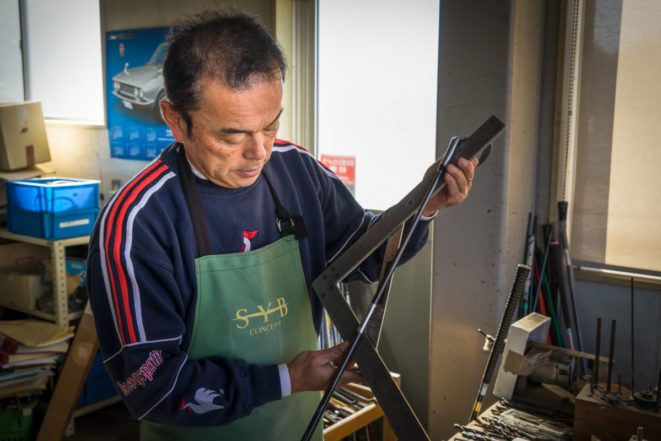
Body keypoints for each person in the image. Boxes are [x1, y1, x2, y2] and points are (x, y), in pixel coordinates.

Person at [86, 10, 478, 441]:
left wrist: (421, 206)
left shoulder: (297, 170)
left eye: (270, 126)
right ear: (176, 120)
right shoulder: (137, 225)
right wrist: (288, 378)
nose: (259, 152)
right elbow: (153, 390)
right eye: (232, 136)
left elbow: (362, 259)